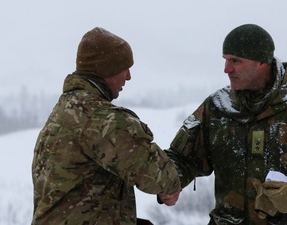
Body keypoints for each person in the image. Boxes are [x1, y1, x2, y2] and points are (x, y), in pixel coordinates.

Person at [159, 24, 287, 224]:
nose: (226, 69)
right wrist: (170, 182)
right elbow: (183, 159)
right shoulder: (217, 106)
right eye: (225, 60)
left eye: (235, 61)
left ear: (262, 62)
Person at [31, 27, 180, 225]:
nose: (128, 77)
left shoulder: (66, 108)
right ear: (106, 69)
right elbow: (161, 178)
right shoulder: (100, 119)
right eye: (124, 67)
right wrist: (173, 184)